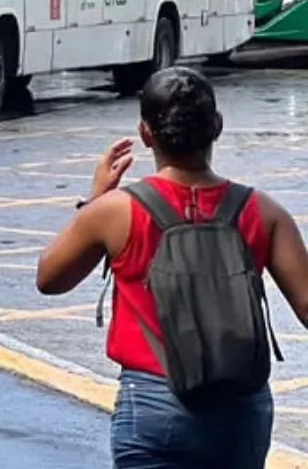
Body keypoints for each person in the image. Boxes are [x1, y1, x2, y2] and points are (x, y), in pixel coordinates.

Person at [36, 66, 308, 468]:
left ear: (146, 134)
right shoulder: (263, 211)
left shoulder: (116, 211)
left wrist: (94, 200)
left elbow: (50, 279)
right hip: (241, 409)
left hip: (155, 402)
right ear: (217, 127)